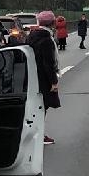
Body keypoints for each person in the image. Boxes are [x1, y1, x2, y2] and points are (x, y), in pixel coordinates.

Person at [25, 10, 61, 145]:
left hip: (32, 77)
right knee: (42, 107)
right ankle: (40, 135)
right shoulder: (46, 39)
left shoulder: (32, 36)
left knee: (37, 107)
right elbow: (48, 63)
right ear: (52, 23)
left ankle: (37, 133)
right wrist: (53, 82)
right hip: (43, 79)